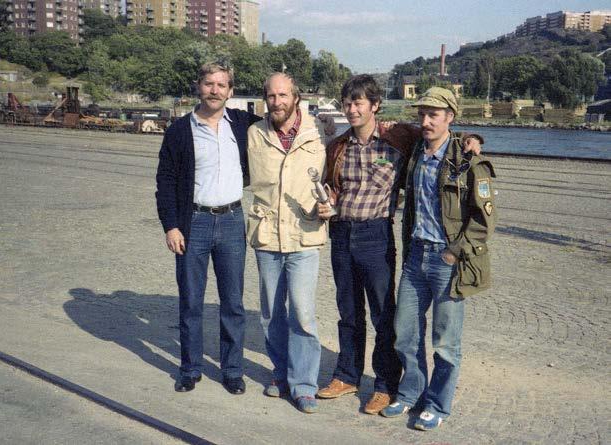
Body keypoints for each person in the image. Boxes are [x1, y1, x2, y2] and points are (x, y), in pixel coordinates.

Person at [317, 76, 482, 415]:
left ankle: (384, 384)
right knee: (348, 312)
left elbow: (439, 135)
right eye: (347, 103)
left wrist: (472, 138)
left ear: (374, 105)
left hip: (376, 236)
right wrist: (326, 204)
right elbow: (331, 186)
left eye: (359, 102)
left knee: (383, 315)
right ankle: (347, 375)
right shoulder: (337, 146)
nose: (352, 109)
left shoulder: (398, 138)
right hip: (341, 233)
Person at [380, 87, 497, 430]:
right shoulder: (416, 150)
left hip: (447, 262)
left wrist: (453, 252)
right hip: (416, 256)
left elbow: (484, 220)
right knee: (405, 333)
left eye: (434, 114)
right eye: (422, 114)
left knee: (445, 341)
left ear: (450, 118)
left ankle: (438, 404)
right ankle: (411, 393)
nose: (426, 120)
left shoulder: (469, 161)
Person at [155, 62, 260, 395]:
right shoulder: (179, 130)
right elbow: (166, 181)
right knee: (191, 302)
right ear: (198, 87)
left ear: (231, 90)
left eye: (222, 85)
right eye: (209, 84)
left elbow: (283, 125)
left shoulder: (243, 124)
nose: (215, 90)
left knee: (232, 303)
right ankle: (190, 369)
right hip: (193, 223)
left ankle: (232, 370)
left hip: (231, 221)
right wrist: (171, 226)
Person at [246, 72, 328, 414]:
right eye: (271, 96)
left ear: (296, 97)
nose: (276, 102)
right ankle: (280, 374)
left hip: (304, 237)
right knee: (271, 315)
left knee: (303, 315)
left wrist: (469, 138)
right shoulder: (253, 133)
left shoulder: (321, 132)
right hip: (266, 236)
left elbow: (372, 136)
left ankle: (305, 384)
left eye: (283, 95)